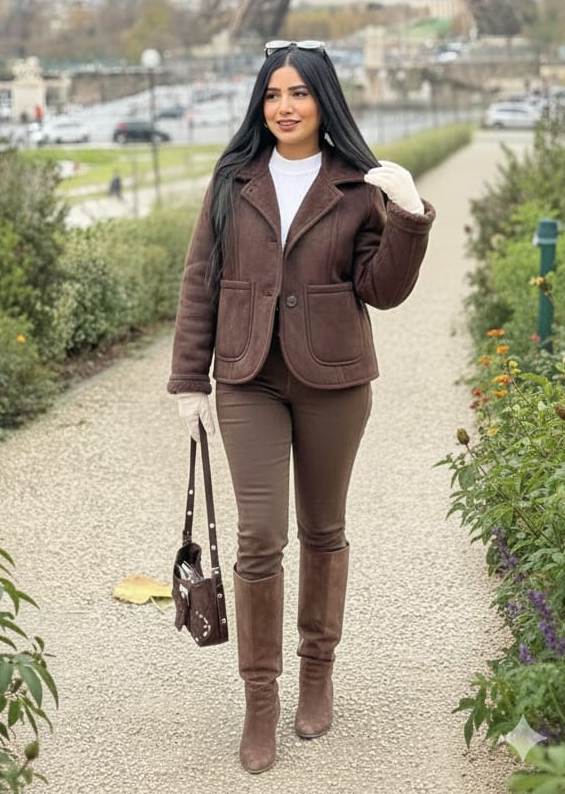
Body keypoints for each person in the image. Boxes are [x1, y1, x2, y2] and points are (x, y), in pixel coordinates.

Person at [167, 40, 435, 774]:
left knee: (324, 530)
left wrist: (408, 215)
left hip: (334, 379)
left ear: (324, 100)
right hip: (248, 377)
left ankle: (317, 675)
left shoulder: (356, 184)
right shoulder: (232, 180)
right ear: (261, 103)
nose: (284, 106)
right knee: (260, 537)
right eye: (273, 94)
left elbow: (381, 289)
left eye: (299, 94)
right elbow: (201, 280)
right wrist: (189, 378)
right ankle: (259, 700)